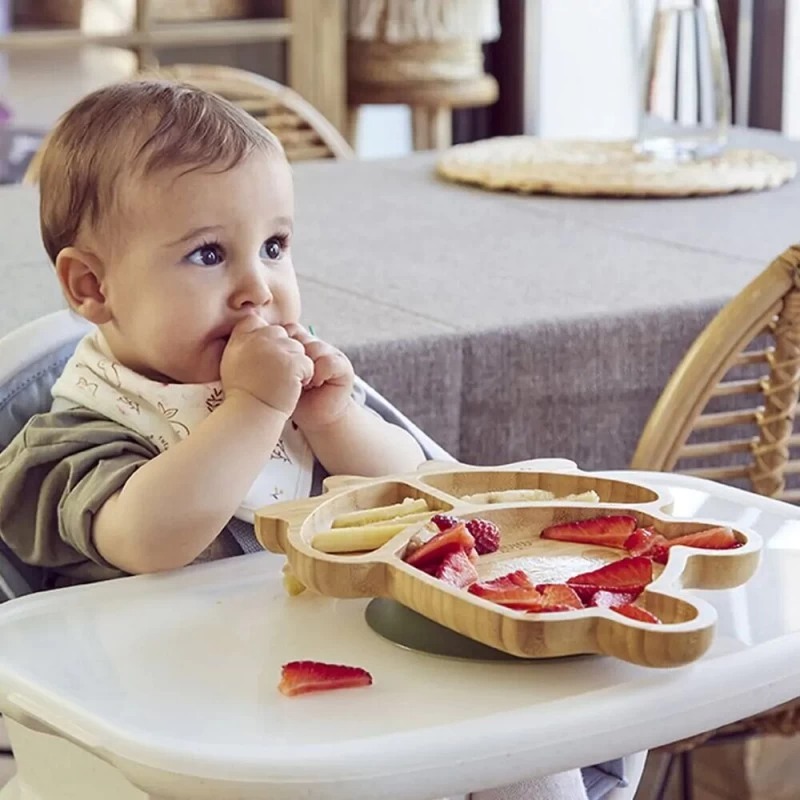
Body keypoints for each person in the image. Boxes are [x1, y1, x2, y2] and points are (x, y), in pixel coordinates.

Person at [0, 79, 609, 800]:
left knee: (522, 735)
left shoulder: (294, 397)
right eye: (206, 255)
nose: (257, 287)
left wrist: (334, 420)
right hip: (172, 736)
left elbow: (420, 490)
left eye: (274, 245)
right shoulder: (71, 435)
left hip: (345, 692)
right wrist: (255, 408)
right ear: (91, 287)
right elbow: (149, 537)